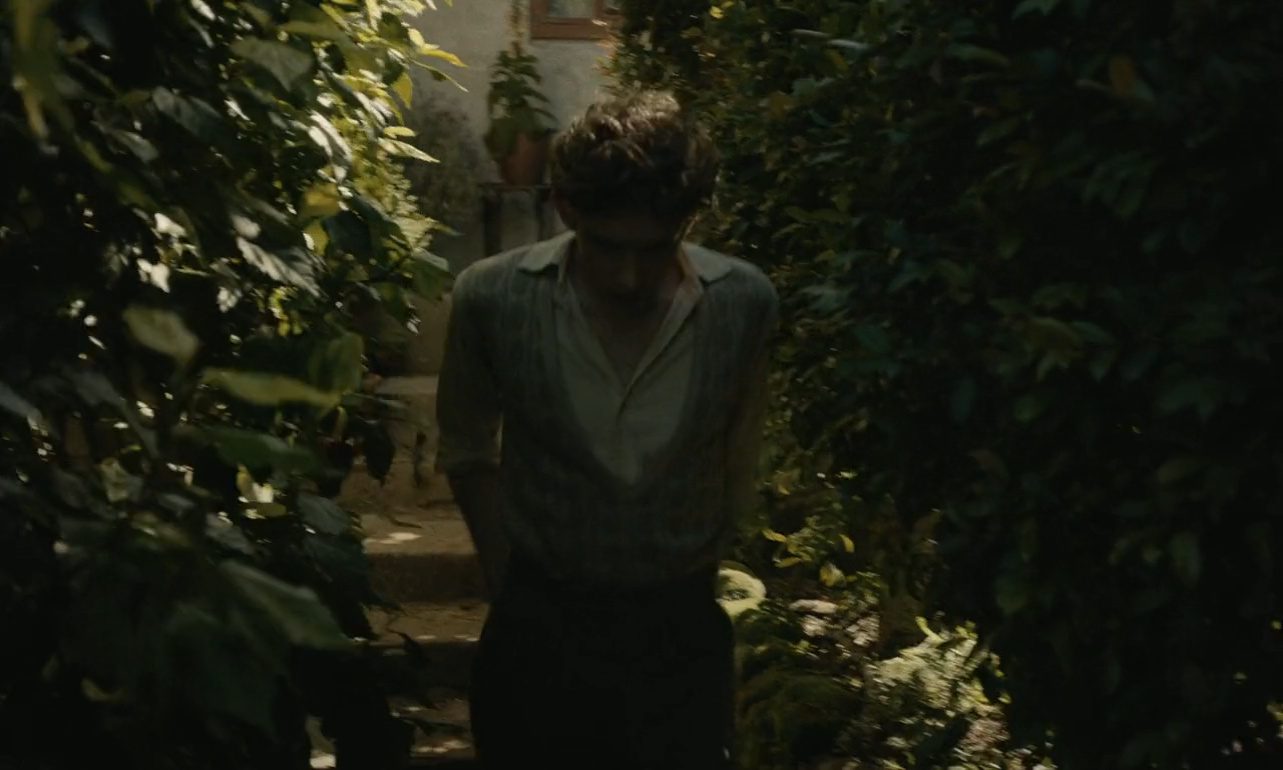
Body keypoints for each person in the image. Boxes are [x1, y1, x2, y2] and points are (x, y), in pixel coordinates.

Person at [434, 89, 778, 769]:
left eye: (653, 249)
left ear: (687, 221)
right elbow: (467, 447)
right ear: (566, 209)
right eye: (607, 246)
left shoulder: (742, 303)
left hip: (678, 636)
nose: (627, 276)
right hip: (540, 628)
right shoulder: (493, 297)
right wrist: (507, 583)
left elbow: (738, 455)